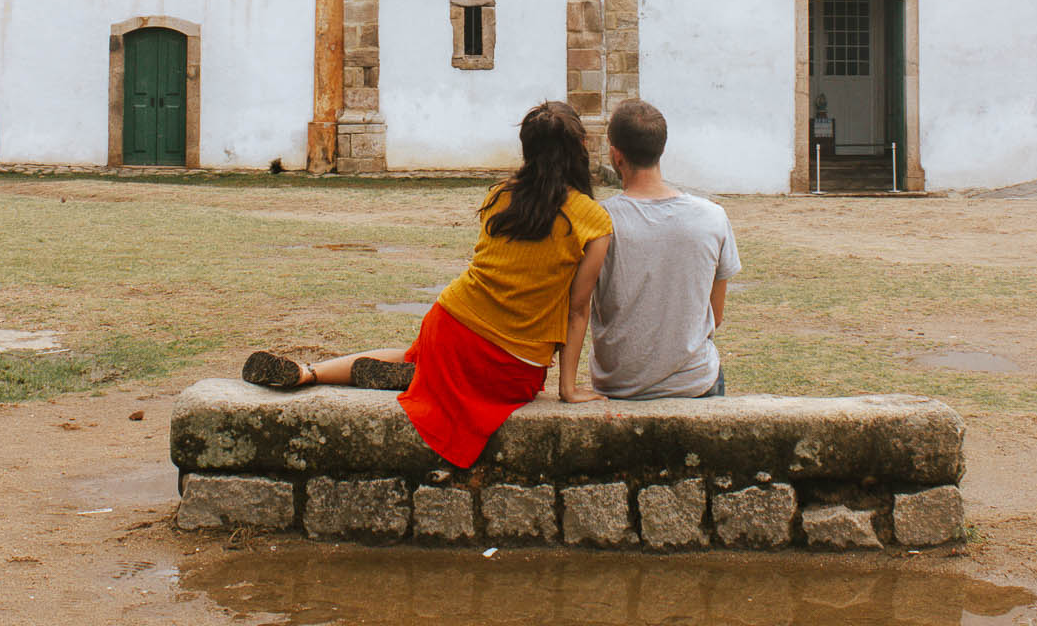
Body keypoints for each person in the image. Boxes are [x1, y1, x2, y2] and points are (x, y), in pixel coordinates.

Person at [241, 100, 612, 466]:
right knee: (431, 368)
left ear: (527, 149)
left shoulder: (501, 196)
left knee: (415, 357)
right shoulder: (593, 220)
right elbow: (577, 311)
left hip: (451, 326)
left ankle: (312, 372)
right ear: (580, 147)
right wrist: (567, 388)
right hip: (510, 365)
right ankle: (422, 378)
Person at [559, 98, 739, 403]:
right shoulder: (712, 217)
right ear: (662, 149)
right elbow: (716, 315)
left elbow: (577, 308)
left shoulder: (598, 221)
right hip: (695, 383)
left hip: (619, 388)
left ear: (616, 156)